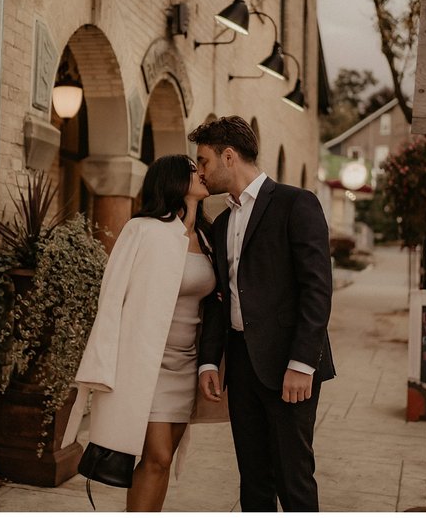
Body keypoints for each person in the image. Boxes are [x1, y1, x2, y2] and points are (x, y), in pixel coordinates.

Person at [188, 115, 335, 512]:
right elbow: (221, 297)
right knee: (252, 479)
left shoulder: (295, 203)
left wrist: (303, 362)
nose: (200, 171)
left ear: (229, 156)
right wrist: (208, 363)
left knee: (293, 478)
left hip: (289, 365)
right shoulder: (220, 223)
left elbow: (317, 289)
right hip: (241, 366)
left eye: (203, 161)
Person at [75, 154, 219, 511]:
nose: (201, 173)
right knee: (156, 456)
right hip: (145, 365)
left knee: (162, 461)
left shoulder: (208, 236)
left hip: (186, 364)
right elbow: (111, 298)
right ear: (172, 181)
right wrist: (101, 365)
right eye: (192, 169)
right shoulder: (142, 229)